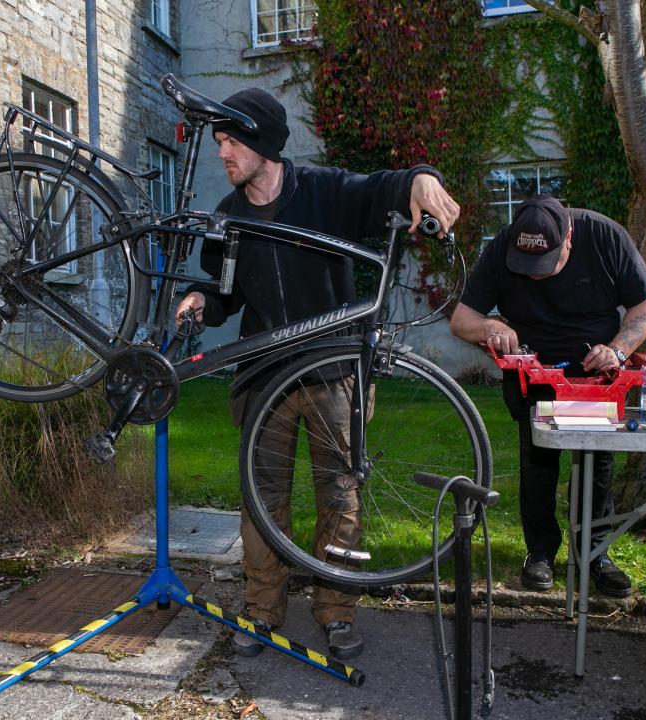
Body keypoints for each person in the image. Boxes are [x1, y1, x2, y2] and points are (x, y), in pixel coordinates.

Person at [174, 86, 460, 659]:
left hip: (334, 375)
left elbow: (383, 185)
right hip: (264, 378)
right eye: (220, 143)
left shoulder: (324, 191)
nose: (222, 154)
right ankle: (261, 611)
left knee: (340, 495)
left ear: (261, 143)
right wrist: (203, 302)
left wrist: (421, 177)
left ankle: (336, 611)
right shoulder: (229, 218)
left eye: (230, 142)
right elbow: (224, 292)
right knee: (262, 499)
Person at [450, 195, 646, 598]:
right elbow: (462, 319)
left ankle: (595, 554)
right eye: (529, 268)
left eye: (547, 264)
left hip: (596, 371)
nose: (538, 276)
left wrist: (617, 349)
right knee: (537, 462)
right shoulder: (503, 247)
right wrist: (490, 327)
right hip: (535, 371)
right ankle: (541, 553)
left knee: (597, 464)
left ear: (569, 239)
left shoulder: (605, 237)